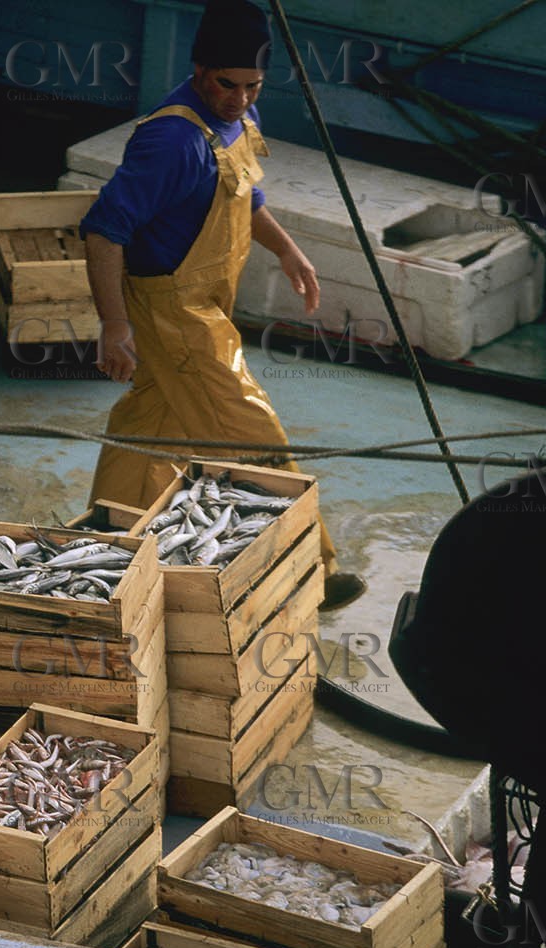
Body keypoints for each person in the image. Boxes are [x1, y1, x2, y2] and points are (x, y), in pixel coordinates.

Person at [80, 0, 366, 610]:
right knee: (253, 433)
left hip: (209, 300)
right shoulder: (170, 141)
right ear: (199, 68)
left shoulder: (235, 117)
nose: (239, 99)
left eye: (252, 87)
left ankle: (110, 528)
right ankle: (313, 569)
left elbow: (246, 194)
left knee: (152, 419)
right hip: (174, 312)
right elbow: (104, 230)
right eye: (227, 84)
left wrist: (289, 251)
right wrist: (114, 324)